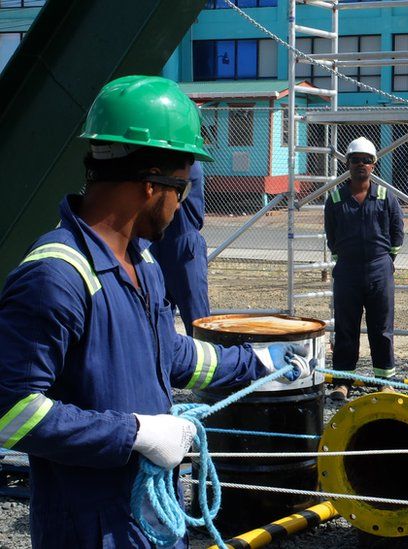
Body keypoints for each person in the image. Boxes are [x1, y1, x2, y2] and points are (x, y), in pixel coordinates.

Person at [0, 75, 313, 549]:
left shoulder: (142, 263)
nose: (181, 207)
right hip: (89, 529)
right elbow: (11, 412)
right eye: (183, 191)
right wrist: (136, 433)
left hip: (149, 517)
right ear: (151, 186)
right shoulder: (57, 276)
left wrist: (262, 365)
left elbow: (169, 352)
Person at [324, 137, 404, 401]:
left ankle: (384, 381)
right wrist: (346, 258)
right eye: (355, 160)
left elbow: (397, 233)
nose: (361, 164)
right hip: (347, 272)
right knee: (346, 328)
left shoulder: (385, 197)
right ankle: (343, 382)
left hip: (379, 270)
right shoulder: (335, 198)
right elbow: (331, 236)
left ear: (374, 165)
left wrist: (385, 260)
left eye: (366, 160)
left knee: (381, 328)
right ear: (347, 163)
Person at [150, 160, 210, 334]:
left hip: (184, 245)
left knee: (197, 321)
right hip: (158, 244)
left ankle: (206, 358)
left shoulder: (187, 163)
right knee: (159, 317)